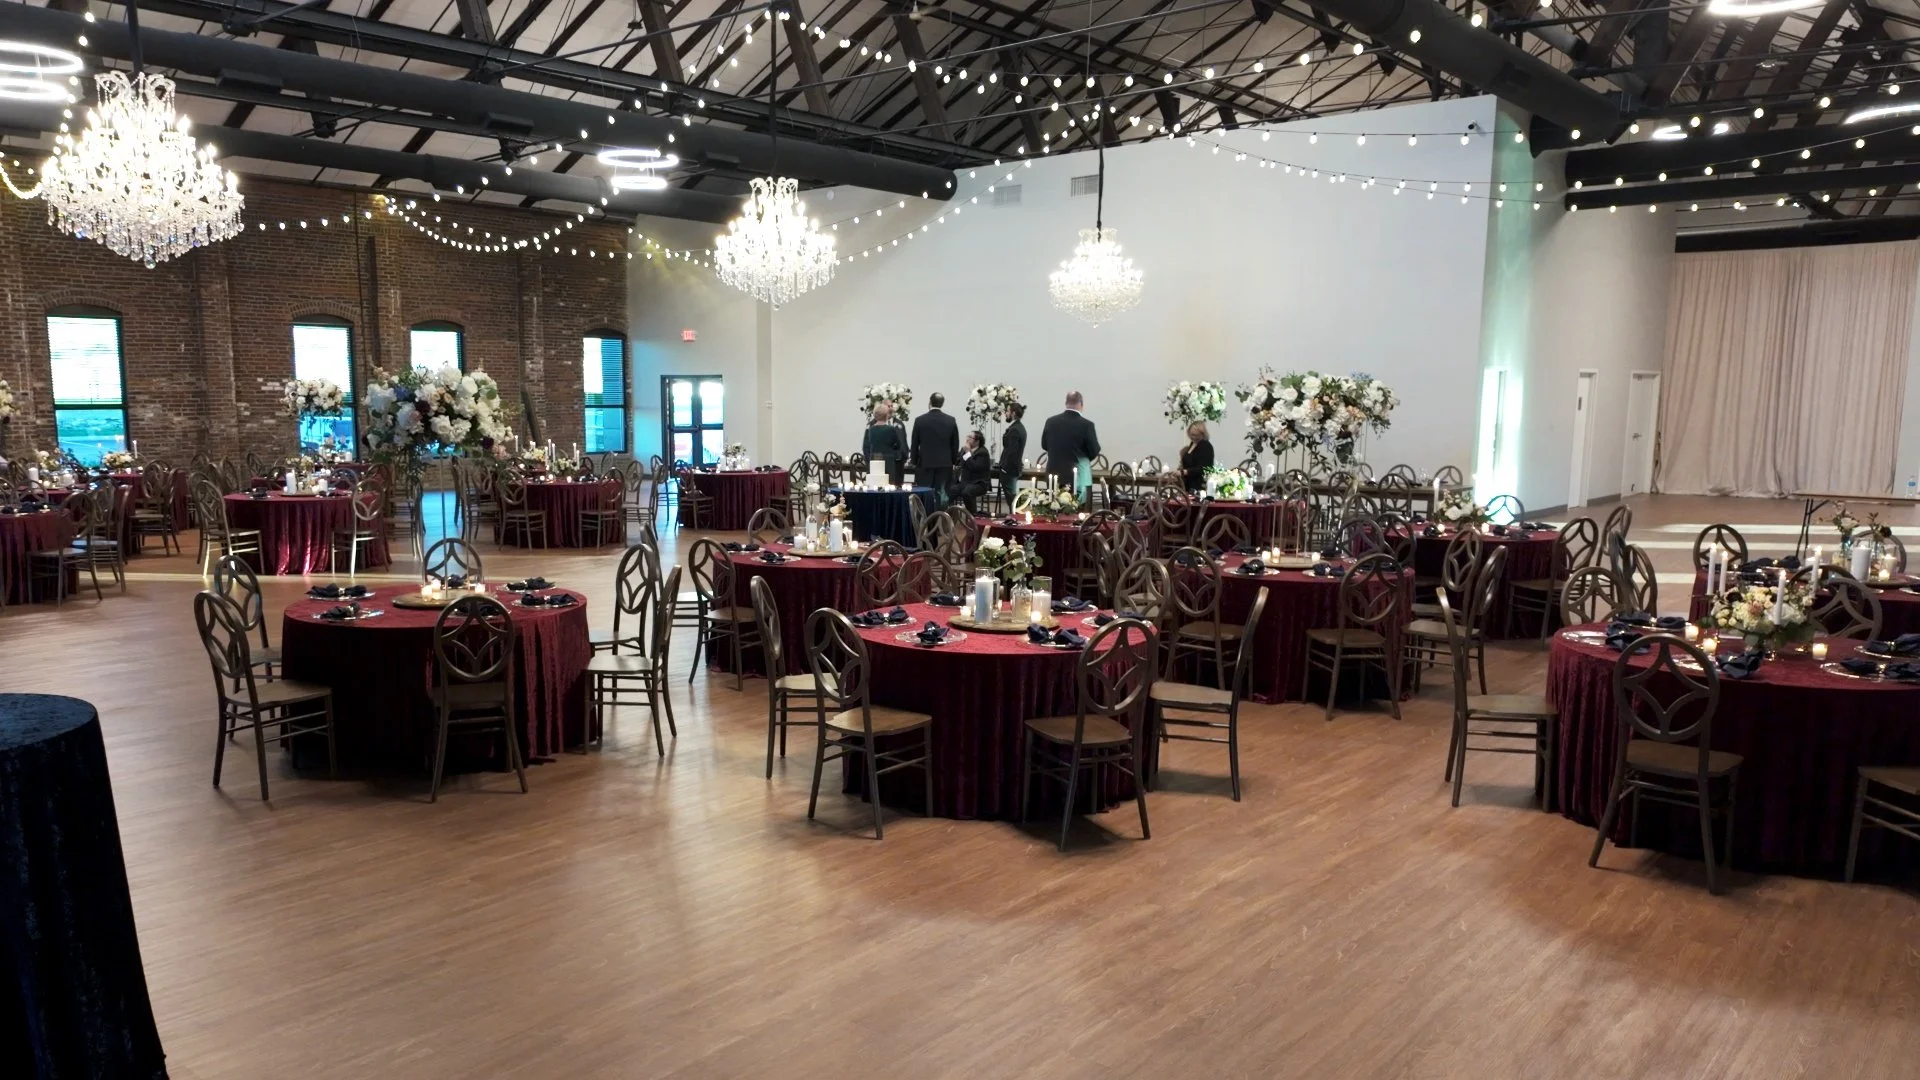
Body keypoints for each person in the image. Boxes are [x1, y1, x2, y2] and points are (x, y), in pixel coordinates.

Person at [1039, 390, 1100, 498]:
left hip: (1053, 474)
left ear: (1066, 403)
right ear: (1081, 404)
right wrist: (1081, 457)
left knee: (1053, 509)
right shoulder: (1087, 425)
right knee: (1076, 511)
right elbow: (1094, 450)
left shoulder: (1051, 422)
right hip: (1076, 477)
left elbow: (1044, 445)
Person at [909, 391, 960, 507]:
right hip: (944, 463)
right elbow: (955, 444)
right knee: (942, 493)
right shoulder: (951, 420)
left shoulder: (920, 420)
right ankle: (941, 517)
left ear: (930, 402)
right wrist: (953, 461)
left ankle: (926, 516)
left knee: (925, 491)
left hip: (925, 463)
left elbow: (915, 443)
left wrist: (914, 461)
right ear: (942, 404)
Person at [861, 402, 906, 485]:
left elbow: (869, 444)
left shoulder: (871, 429)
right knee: (889, 483)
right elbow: (898, 444)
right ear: (886, 416)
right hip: (888, 459)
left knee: (876, 483)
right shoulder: (891, 429)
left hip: (875, 459)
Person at [953, 430, 993, 514]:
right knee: (950, 490)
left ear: (977, 441)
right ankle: (950, 515)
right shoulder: (964, 449)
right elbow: (957, 461)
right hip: (966, 482)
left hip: (979, 483)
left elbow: (974, 467)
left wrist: (967, 453)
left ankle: (973, 516)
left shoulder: (983, 452)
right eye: (968, 436)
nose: (967, 439)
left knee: (967, 492)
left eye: (970, 437)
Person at [997, 402, 1027, 509]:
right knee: (1012, 498)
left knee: (1012, 499)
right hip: (1013, 468)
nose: (1006, 413)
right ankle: (1015, 517)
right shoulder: (1019, 427)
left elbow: (1012, 452)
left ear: (1013, 413)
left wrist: (1005, 468)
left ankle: (1016, 519)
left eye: (1008, 411)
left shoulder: (1015, 429)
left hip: (1010, 469)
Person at [1180, 421, 1215, 493]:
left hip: (1199, 484)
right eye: (1191, 435)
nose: (1192, 437)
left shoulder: (1206, 446)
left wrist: (1186, 472)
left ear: (1202, 434)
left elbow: (1205, 467)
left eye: (1195, 435)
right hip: (1188, 482)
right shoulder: (1193, 443)